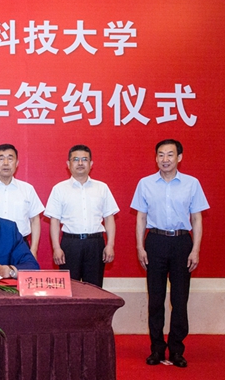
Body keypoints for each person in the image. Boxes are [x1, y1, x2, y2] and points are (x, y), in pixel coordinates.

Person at [131, 139, 209, 368]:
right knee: (155, 299)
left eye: (170, 154)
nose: (165, 159)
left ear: (179, 157)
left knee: (179, 299)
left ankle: (176, 349)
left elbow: (197, 218)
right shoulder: (145, 183)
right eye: (161, 155)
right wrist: (140, 247)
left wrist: (195, 249)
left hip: (182, 242)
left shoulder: (192, 184)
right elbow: (141, 218)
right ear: (156, 158)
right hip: (155, 241)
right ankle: (157, 348)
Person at [44, 144, 118, 287]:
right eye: (75, 159)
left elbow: (109, 218)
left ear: (91, 164)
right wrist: (56, 248)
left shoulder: (102, 188)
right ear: (68, 164)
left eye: (84, 159)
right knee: (70, 288)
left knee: (95, 289)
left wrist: (110, 245)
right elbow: (54, 221)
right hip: (70, 244)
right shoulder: (59, 189)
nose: (80, 163)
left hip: (95, 244)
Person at [0, 143, 44, 258]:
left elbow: (35, 220)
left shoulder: (27, 189)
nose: (6, 163)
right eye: (1, 159)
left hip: (21, 245)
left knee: (21, 270)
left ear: (17, 163)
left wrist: (33, 249)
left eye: (10, 159)